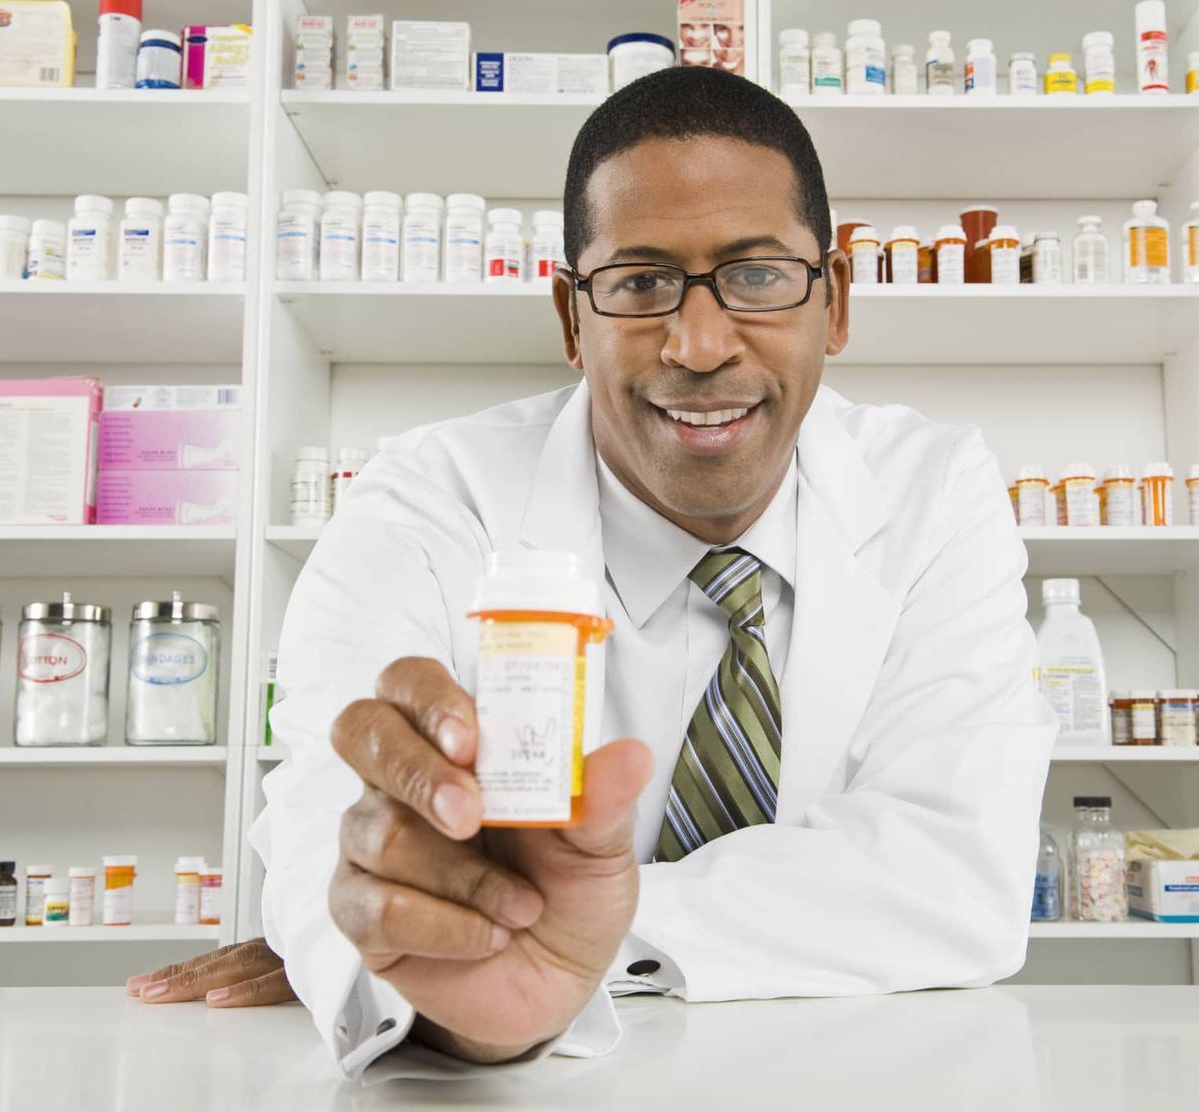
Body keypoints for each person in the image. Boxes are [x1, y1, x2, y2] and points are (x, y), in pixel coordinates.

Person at [126, 65, 1055, 1076]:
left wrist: (568, 927)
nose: (700, 346)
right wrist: (433, 970)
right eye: (642, 282)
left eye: (757, 276)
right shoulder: (428, 499)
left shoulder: (934, 490)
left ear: (834, 302)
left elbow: (960, 877)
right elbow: (332, 834)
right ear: (573, 318)